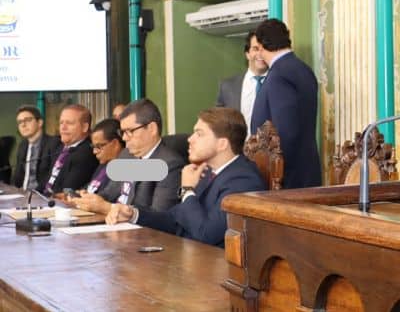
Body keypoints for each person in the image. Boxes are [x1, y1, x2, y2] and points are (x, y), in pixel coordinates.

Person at [106, 108, 266, 247]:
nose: (190, 139)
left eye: (199, 134)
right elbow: (176, 220)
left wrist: (187, 191)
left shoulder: (243, 181)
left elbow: (206, 234)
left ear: (222, 144)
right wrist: (133, 214)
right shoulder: (208, 171)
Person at [250, 19, 321, 188]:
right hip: (305, 171)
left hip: (286, 179)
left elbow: (285, 132)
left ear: (261, 47)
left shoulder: (279, 74)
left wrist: (274, 173)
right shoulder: (303, 69)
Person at [104, 99, 184, 211]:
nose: (124, 138)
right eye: (122, 132)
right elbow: (108, 194)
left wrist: (107, 208)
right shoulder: (126, 155)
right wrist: (87, 200)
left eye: (129, 131)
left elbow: (159, 215)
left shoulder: (170, 164)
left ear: (152, 129)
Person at [66, 118, 125, 214]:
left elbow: (109, 198)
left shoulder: (128, 164)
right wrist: (82, 195)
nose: (125, 137)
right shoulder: (103, 165)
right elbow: (104, 193)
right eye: (93, 147)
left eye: (99, 147)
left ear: (115, 144)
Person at [216, 30, 269, 134]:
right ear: (247, 54)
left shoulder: (280, 85)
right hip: (238, 148)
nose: (260, 54)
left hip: (270, 149)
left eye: (265, 49)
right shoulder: (227, 86)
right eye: (256, 49)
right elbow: (218, 123)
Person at [41, 104, 100, 197]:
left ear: (85, 127)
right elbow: (45, 181)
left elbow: (68, 190)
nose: (63, 128)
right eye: (61, 123)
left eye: (69, 123)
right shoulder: (59, 147)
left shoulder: (86, 154)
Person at [12, 106, 60, 190]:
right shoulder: (22, 146)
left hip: (41, 196)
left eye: (27, 120)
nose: (23, 124)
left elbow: (52, 176)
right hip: (21, 195)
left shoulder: (53, 143)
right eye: (20, 122)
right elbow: (17, 176)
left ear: (40, 122)